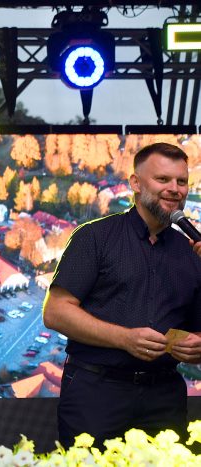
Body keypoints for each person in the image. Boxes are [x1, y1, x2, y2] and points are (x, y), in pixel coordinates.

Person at [43, 142, 201, 448]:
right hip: (96, 394)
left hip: (165, 398)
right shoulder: (94, 237)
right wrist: (124, 339)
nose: (174, 189)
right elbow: (56, 312)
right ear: (136, 183)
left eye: (181, 181)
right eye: (163, 179)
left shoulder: (191, 252)